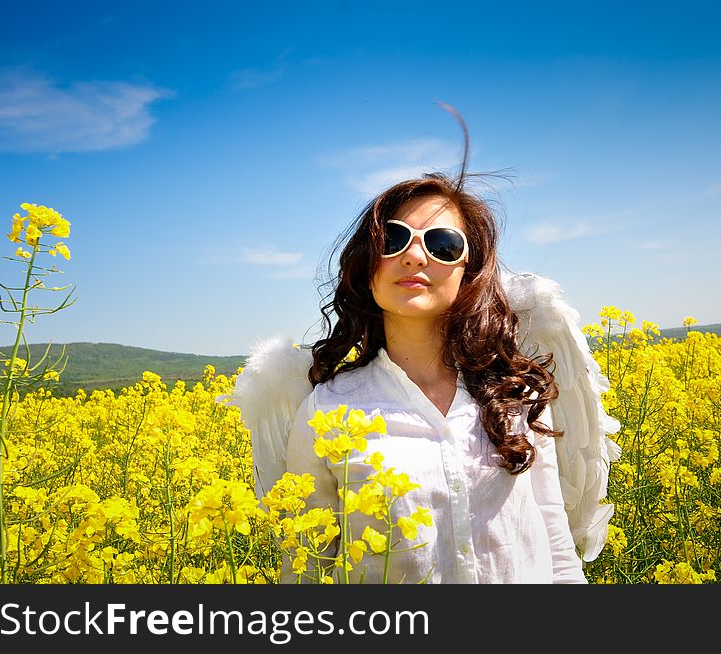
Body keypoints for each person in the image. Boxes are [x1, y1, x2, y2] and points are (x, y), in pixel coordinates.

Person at [230, 110, 621, 584]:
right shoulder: (324, 412)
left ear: (468, 273)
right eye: (392, 238)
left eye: (442, 243)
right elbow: (309, 571)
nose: (415, 255)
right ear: (367, 264)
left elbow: (557, 553)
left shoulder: (514, 393)